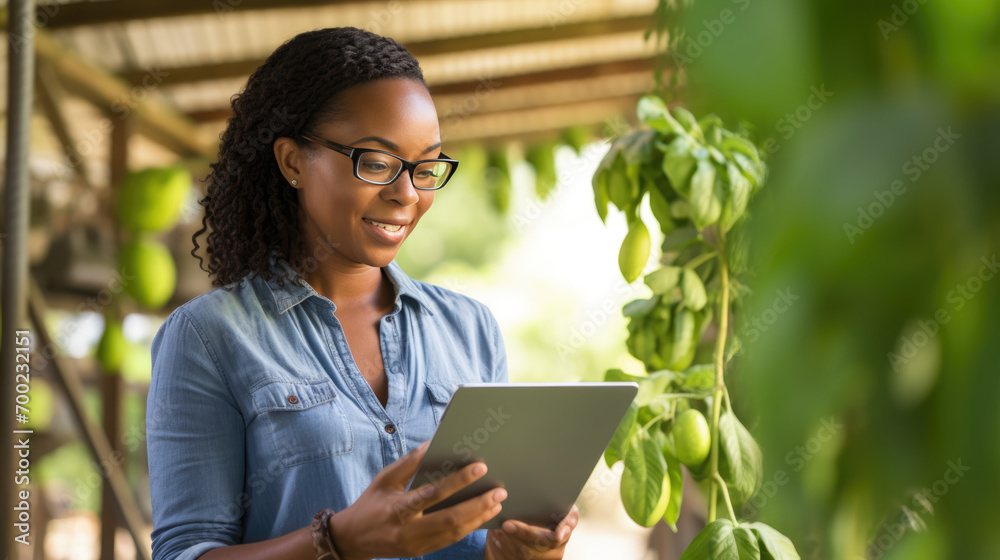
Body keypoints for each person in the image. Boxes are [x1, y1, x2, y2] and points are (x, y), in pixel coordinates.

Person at [145, 26, 579, 560]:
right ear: (292, 162)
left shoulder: (470, 328)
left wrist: (520, 551)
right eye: (376, 162)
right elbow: (183, 552)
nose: (407, 193)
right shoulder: (208, 337)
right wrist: (337, 541)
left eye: (427, 167)